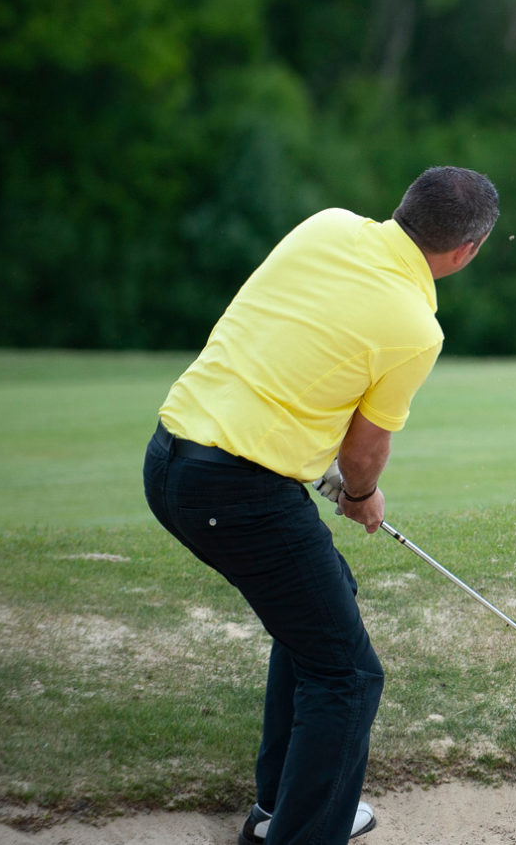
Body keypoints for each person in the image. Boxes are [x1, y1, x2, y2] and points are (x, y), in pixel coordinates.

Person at [143, 166, 498, 844]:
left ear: (404, 206)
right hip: (238, 494)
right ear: (466, 250)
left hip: (168, 460)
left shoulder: (327, 225)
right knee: (348, 675)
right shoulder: (415, 327)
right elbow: (365, 452)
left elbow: (299, 348)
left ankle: (278, 810)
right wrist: (360, 494)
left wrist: (323, 464)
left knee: (324, 608)